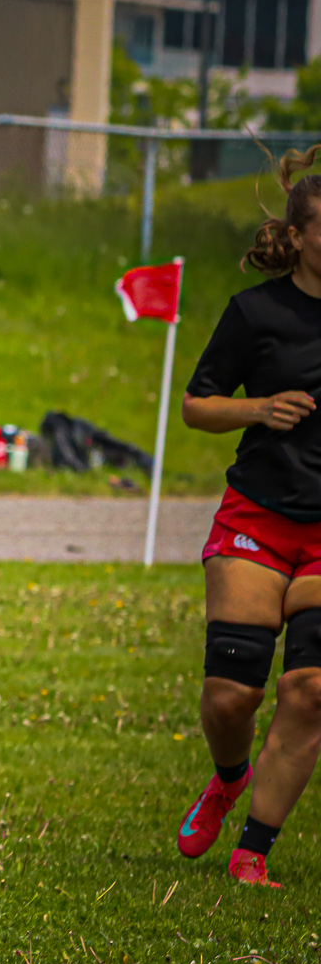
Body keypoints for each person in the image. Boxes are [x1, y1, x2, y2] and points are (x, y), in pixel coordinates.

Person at [177, 144, 321, 888]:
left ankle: (253, 850)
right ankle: (228, 776)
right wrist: (261, 408)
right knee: (233, 696)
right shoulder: (256, 313)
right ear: (297, 236)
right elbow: (197, 405)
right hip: (259, 518)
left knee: (311, 689)